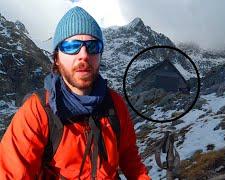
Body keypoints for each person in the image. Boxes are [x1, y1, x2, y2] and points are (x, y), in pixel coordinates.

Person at [0, 6, 150, 179]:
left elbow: (130, 160)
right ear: (56, 58)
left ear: (100, 55)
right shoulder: (38, 112)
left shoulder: (115, 105)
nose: (84, 55)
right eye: (71, 46)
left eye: (93, 46)